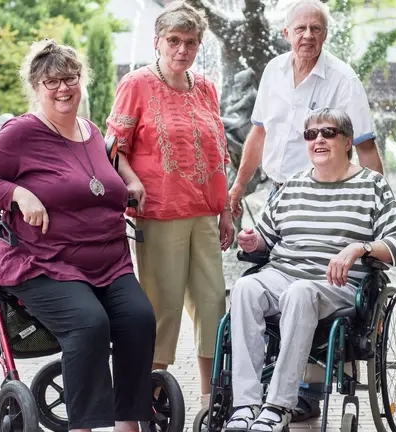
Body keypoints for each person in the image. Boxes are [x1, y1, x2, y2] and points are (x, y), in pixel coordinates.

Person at [0, 38, 156, 432]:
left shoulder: (91, 131)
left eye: (70, 78)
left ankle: (128, 423)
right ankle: (82, 427)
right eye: (52, 82)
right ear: (37, 87)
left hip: (108, 262)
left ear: (81, 81)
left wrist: (129, 182)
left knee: (139, 318)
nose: (63, 88)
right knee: (89, 323)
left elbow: (100, 177)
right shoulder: (21, 133)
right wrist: (17, 193)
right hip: (43, 262)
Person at [227, 0, 383, 420]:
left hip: (332, 189)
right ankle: (252, 396)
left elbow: (365, 144)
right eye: (300, 28)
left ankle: (303, 391)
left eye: (316, 28)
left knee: (309, 287)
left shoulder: (343, 80)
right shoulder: (273, 72)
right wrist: (239, 184)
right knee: (261, 284)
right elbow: (258, 134)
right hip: (283, 193)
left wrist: (374, 196)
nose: (308, 36)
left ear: (326, 34)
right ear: (287, 33)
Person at [225, 108, 396, 432]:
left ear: (348, 141)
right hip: (284, 273)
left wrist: (361, 248)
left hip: (336, 284)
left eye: (328, 133)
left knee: (300, 293)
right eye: (312, 135)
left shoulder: (371, 185)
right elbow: (265, 239)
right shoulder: (291, 186)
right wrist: (252, 241)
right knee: (245, 288)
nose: (319, 140)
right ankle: (245, 405)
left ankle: (278, 406)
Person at [105, 0, 233, 408]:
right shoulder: (136, 84)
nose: (182, 49)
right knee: (163, 308)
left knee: (213, 305)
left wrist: (226, 209)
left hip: (206, 214)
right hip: (160, 213)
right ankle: (151, 397)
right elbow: (112, 147)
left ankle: (211, 399)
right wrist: (132, 180)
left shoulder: (207, 87)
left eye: (191, 42)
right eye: (174, 40)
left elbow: (219, 153)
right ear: (157, 41)